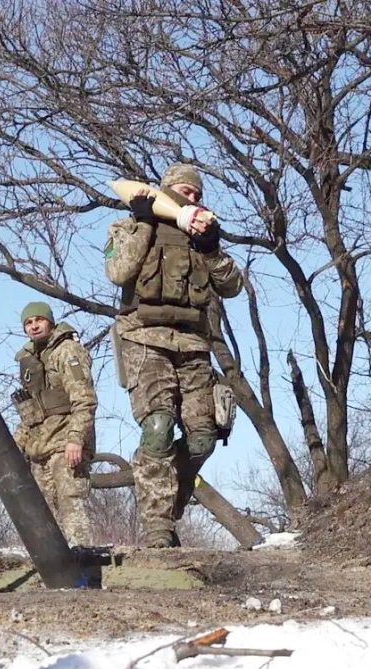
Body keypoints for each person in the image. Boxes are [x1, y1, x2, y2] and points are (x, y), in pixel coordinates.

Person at [104, 163, 243, 548]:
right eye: (184, 191)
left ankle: (167, 494)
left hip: (194, 344)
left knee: (203, 437)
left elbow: (232, 286)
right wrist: (145, 221)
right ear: (167, 191)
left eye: (197, 194)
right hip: (145, 338)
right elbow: (119, 270)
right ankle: (157, 527)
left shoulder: (202, 238)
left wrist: (212, 248)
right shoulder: (129, 226)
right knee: (158, 427)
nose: (191, 199)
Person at [11, 302, 97, 546]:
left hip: (65, 442)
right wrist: (16, 446)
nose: (34, 326)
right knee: (42, 513)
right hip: (40, 445)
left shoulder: (68, 351)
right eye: (28, 322)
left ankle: (83, 560)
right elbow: (30, 414)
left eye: (39, 320)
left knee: (71, 501)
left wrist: (75, 439)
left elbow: (85, 399)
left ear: (50, 321)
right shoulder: (29, 359)